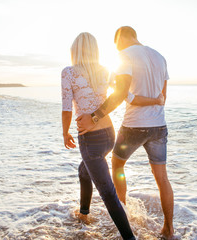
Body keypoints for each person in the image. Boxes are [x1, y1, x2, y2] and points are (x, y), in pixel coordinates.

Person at [61, 32, 163, 240]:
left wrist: (65, 132)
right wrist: (154, 100)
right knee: (84, 170)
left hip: (90, 140)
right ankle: (84, 214)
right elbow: (125, 95)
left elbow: (66, 108)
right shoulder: (106, 70)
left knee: (108, 194)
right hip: (109, 134)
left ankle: (129, 238)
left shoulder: (68, 72)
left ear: (75, 51)